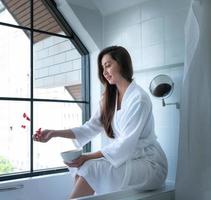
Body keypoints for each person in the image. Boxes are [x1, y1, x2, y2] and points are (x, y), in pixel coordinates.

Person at [33, 46, 168, 199]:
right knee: (84, 166)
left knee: (91, 167)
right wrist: (54, 133)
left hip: (150, 165)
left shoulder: (139, 99)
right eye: (102, 67)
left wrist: (88, 156)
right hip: (129, 159)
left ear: (122, 64)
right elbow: (89, 128)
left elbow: (125, 144)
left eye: (108, 65)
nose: (104, 72)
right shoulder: (109, 98)